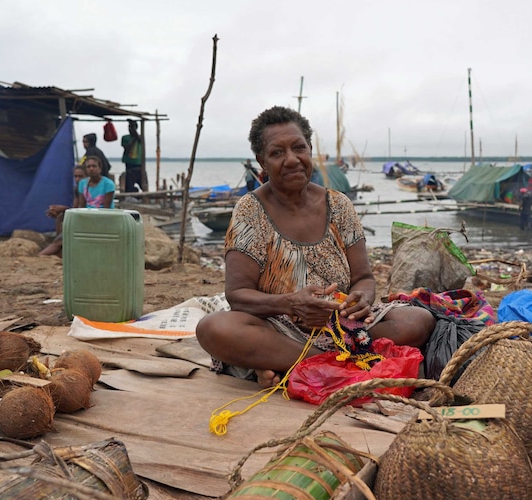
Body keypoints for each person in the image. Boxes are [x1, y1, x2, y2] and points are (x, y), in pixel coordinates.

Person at [195, 106, 436, 388]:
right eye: (277, 153)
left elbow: (364, 278)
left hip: (344, 327)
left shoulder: (339, 206)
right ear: (261, 161)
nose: (292, 160)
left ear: (310, 149)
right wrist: (291, 303)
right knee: (213, 329)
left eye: (299, 148)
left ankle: (292, 365)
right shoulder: (250, 211)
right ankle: (334, 362)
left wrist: (360, 300)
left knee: (417, 319)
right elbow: (237, 296)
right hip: (279, 328)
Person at [39, 164, 86, 257]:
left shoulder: (87, 188)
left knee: (57, 245)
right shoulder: (77, 189)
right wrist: (58, 210)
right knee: (60, 216)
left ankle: (43, 254)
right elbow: (75, 209)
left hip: (85, 219)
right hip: (78, 218)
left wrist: (63, 208)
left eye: (81, 176)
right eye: (75, 176)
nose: (77, 179)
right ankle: (59, 243)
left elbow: (81, 211)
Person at [121, 119, 145, 193]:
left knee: (144, 187)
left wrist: (134, 132)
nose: (130, 129)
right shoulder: (125, 138)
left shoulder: (140, 137)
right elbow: (127, 148)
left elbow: (140, 140)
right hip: (129, 166)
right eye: (129, 127)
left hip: (139, 166)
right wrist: (134, 137)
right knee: (128, 188)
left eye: (132, 127)